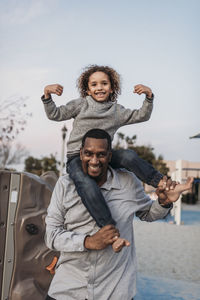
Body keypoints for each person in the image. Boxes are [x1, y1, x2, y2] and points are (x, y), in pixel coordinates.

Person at [45, 129, 193, 300]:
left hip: (115, 290)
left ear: (110, 156)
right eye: (88, 154)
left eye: (101, 154)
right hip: (68, 288)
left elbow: (148, 214)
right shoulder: (65, 185)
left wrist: (165, 202)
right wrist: (88, 242)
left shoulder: (128, 182)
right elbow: (51, 235)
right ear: (80, 154)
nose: (94, 160)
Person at [41, 64, 163, 250]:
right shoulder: (81, 104)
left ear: (112, 87)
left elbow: (141, 116)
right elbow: (56, 114)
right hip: (77, 158)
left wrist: (149, 97)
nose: (99, 88)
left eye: (104, 83)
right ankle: (109, 229)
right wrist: (47, 96)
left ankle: (160, 181)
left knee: (129, 156)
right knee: (86, 184)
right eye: (94, 84)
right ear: (87, 89)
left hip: (105, 156)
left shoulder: (116, 111)